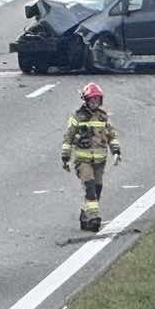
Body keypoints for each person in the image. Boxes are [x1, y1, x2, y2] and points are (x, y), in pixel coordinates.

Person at [60, 82, 121, 233]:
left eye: (97, 100)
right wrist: (65, 158)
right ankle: (93, 217)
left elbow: (111, 135)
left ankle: (85, 214)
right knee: (90, 187)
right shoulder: (77, 118)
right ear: (86, 101)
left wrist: (116, 151)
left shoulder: (102, 117)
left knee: (97, 188)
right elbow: (68, 138)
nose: (95, 103)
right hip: (83, 161)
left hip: (100, 161)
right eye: (92, 100)